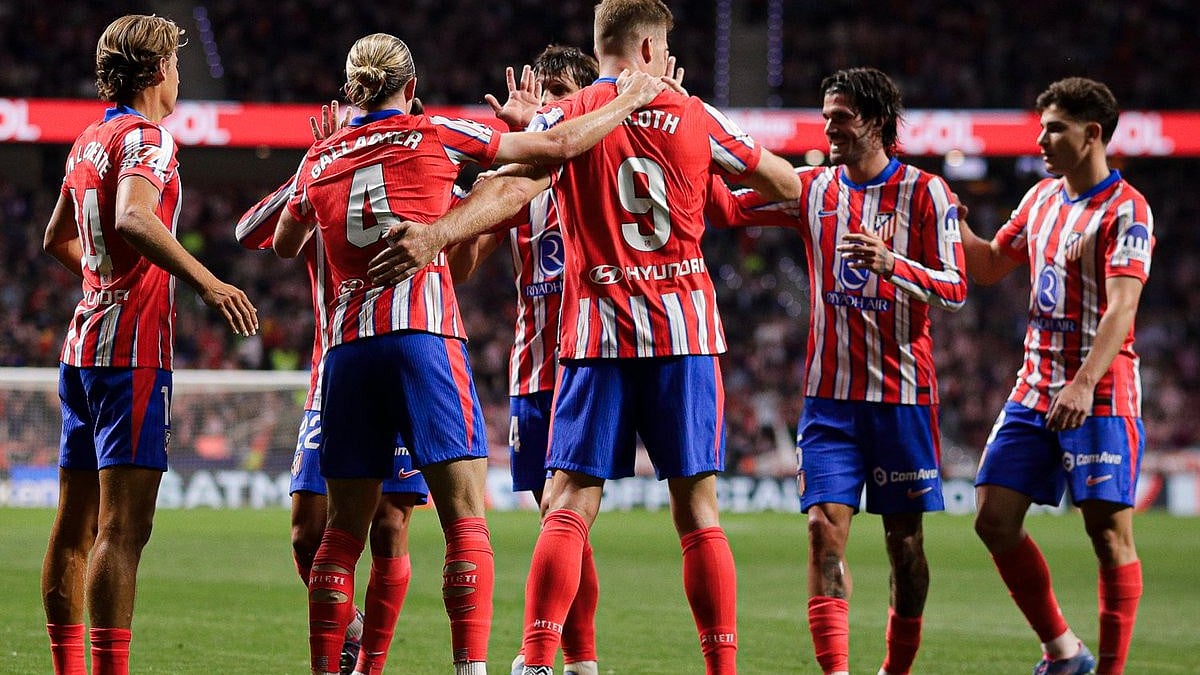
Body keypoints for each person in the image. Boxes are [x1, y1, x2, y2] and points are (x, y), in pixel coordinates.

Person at [368, 2, 802, 672]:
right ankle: (722, 667)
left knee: (568, 501)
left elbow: (507, 192)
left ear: (603, 47)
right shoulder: (695, 114)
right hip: (684, 332)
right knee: (697, 508)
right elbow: (784, 183)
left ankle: (539, 658)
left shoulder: (566, 119)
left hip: (596, 332)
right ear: (655, 50)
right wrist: (700, 140)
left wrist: (436, 232)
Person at [270, 33, 666, 675]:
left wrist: (323, 158)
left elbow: (286, 242)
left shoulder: (320, 160)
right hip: (423, 335)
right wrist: (632, 99)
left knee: (340, 535)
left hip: (345, 349)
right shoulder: (435, 132)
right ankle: (471, 669)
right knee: (464, 522)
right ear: (411, 88)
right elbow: (559, 146)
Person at [705, 67, 967, 675]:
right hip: (828, 402)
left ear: (876, 122)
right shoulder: (813, 189)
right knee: (824, 530)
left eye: (840, 118)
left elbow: (955, 288)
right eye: (825, 117)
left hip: (902, 399)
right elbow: (727, 207)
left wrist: (891, 262)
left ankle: (896, 668)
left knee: (904, 545)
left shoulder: (927, 194)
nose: (828, 128)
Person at [39, 14, 258, 675]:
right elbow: (135, 215)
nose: (180, 76)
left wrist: (102, 278)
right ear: (159, 70)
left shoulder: (88, 140)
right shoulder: (148, 139)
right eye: (176, 64)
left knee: (75, 525)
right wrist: (207, 281)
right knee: (123, 531)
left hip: (83, 348)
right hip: (130, 356)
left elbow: (56, 237)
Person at [960, 77, 1152, 675]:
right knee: (993, 518)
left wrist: (1084, 382)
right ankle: (1064, 651)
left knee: (1107, 534)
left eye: (1054, 128)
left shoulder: (1127, 210)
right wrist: (954, 228)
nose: (1040, 139)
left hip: (1099, 386)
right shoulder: (1040, 199)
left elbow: (1122, 306)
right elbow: (991, 264)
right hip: (1035, 384)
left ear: (1092, 133)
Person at [236, 134, 429, 675]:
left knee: (389, 526)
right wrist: (308, 165)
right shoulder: (322, 174)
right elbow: (249, 231)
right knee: (305, 533)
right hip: (334, 369)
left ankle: (369, 665)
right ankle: (351, 628)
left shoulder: (411, 167)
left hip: (400, 359)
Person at [461, 45, 604, 675]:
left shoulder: (600, 161)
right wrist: (491, 170)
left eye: (559, 91)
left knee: (563, 509)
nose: (546, 101)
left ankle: (544, 657)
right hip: (532, 368)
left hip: (590, 359)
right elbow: (461, 266)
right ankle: (581, 662)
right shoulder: (520, 181)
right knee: (561, 517)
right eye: (541, 90)